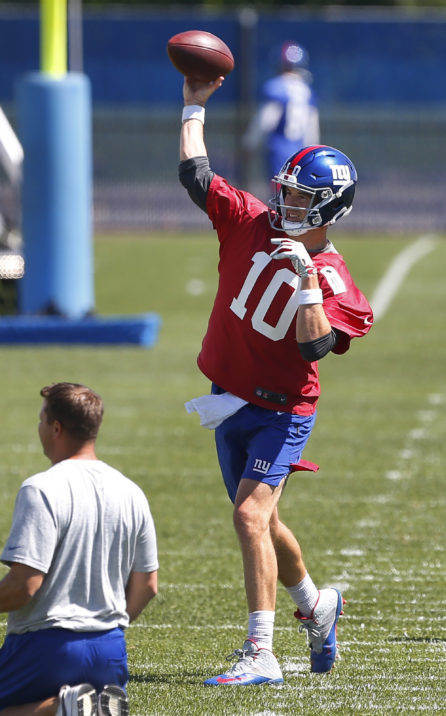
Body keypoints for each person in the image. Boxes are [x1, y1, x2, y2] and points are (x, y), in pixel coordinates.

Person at [178, 74, 373, 685]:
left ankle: (261, 652)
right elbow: (196, 174)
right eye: (284, 193)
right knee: (262, 519)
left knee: (248, 518)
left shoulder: (335, 278)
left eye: (298, 198)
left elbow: (318, 344)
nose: (285, 205)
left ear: (329, 209)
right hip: (227, 399)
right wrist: (193, 105)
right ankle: (317, 607)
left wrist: (307, 277)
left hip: (284, 409)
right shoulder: (250, 220)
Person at [0, 383, 159, 716]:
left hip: (45, 648)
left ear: (55, 427)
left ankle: (61, 706)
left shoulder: (41, 488)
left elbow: (23, 588)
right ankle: (80, 706)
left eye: (42, 420)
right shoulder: (131, 492)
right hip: (110, 652)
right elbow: (147, 587)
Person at [244, 42, 321, 184]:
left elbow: (265, 121)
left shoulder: (276, 87)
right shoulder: (308, 92)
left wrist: (250, 143)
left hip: (279, 149)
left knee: (278, 196)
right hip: (301, 152)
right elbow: (312, 131)